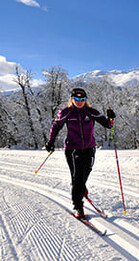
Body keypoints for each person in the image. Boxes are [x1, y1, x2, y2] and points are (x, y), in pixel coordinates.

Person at [46, 87, 115, 219]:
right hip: (73, 149)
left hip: (89, 148)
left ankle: (82, 188)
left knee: (85, 173)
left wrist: (110, 118)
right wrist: (51, 141)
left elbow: (108, 125)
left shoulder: (91, 112)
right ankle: (78, 206)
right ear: (72, 99)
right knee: (77, 177)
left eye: (82, 99)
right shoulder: (66, 112)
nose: (79, 101)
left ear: (85, 100)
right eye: (76, 99)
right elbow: (56, 127)